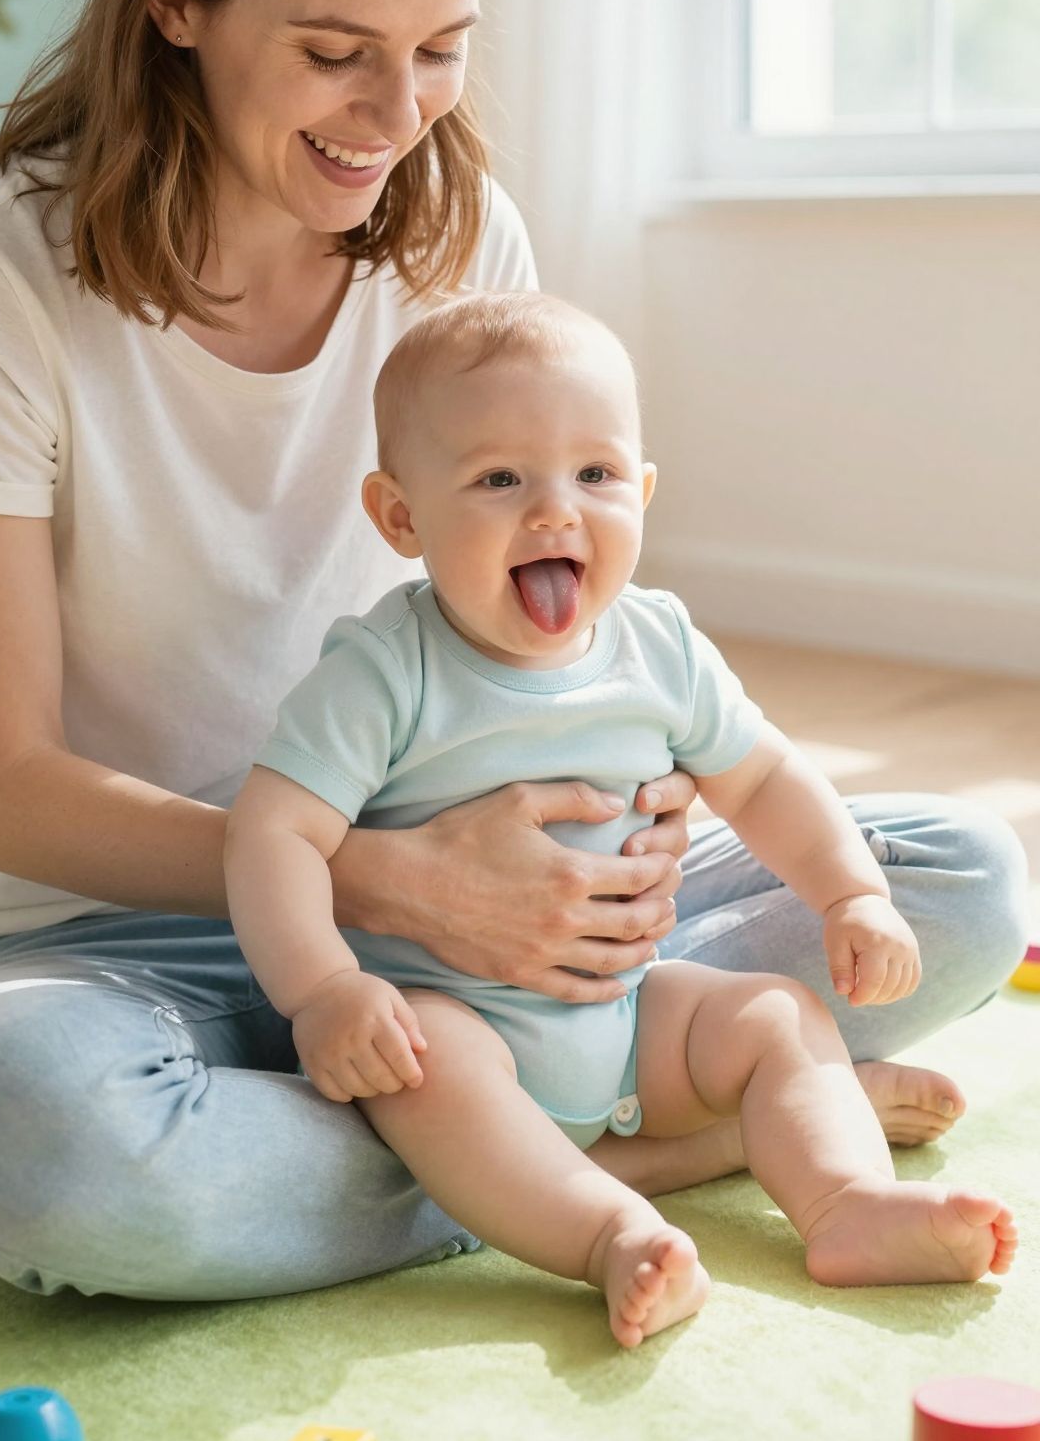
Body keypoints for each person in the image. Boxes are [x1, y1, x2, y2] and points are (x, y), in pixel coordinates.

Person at [0, 0, 1028, 1306]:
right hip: (94, 943)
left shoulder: (453, 237)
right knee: (31, 1134)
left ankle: (485, 1147)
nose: (394, 110)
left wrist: (602, 839)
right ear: (176, 1)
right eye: (336, 48)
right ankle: (633, 1156)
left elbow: (536, 593)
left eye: (441, 47)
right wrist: (374, 881)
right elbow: (6, 791)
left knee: (959, 879)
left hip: (456, 950)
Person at [223, 293, 1017, 1346]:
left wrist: (851, 892)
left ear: (641, 491)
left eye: (595, 475)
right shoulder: (385, 670)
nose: (557, 511)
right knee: (434, 1071)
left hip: (634, 1014)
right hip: (461, 1025)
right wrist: (324, 990)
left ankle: (846, 1205)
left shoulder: (660, 643)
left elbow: (765, 776)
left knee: (777, 1013)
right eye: (500, 478)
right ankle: (609, 1233)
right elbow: (272, 832)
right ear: (401, 515)